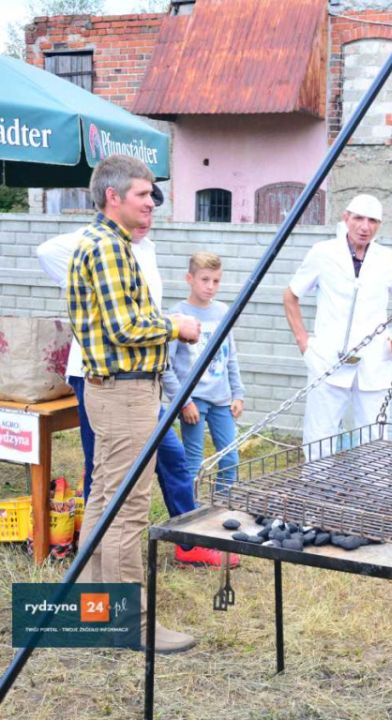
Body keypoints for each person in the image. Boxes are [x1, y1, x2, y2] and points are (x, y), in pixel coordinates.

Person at [36, 191, 234, 569]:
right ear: (117, 203)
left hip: (140, 380)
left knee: (170, 457)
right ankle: (95, 563)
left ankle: (186, 540)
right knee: (106, 475)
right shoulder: (97, 244)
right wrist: (87, 279)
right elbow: (48, 253)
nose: (147, 215)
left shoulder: (145, 250)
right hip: (100, 376)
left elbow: (142, 316)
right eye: (141, 201)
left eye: (152, 209)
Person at [68, 154, 201, 653]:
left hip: (116, 389)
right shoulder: (107, 247)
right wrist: (177, 326)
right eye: (143, 194)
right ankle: (133, 623)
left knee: (105, 499)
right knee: (127, 508)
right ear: (113, 196)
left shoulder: (110, 243)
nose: (152, 203)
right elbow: (125, 328)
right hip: (124, 393)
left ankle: (90, 608)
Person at [283, 194, 392, 452]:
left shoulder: (385, 258)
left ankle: (373, 479)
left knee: (375, 435)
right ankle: (317, 477)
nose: (365, 227)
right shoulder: (323, 253)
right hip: (328, 358)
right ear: (346, 218)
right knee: (320, 435)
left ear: (379, 225)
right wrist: (304, 342)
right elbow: (291, 295)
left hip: (374, 360)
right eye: (358, 219)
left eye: (372, 221)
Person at [167, 252, 245, 492]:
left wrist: (238, 393)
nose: (211, 286)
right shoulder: (177, 315)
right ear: (189, 279)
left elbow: (230, 355)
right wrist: (184, 402)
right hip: (194, 401)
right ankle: (189, 509)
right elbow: (166, 365)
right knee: (194, 461)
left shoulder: (223, 311)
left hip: (221, 399)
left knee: (230, 458)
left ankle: (222, 504)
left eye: (216, 281)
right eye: (205, 279)